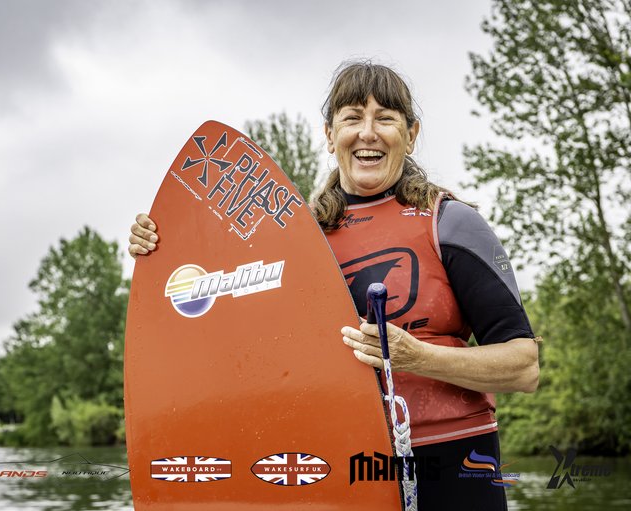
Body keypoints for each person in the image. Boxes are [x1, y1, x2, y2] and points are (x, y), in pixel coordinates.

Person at [128, 60, 539, 510]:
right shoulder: (297, 243)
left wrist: (417, 357)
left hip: (454, 459)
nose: (368, 133)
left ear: (411, 134)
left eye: (386, 118)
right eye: (351, 118)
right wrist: (166, 248)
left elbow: (522, 367)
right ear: (329, 135)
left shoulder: (451, 223)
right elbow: (227, 326)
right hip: (331, 465)